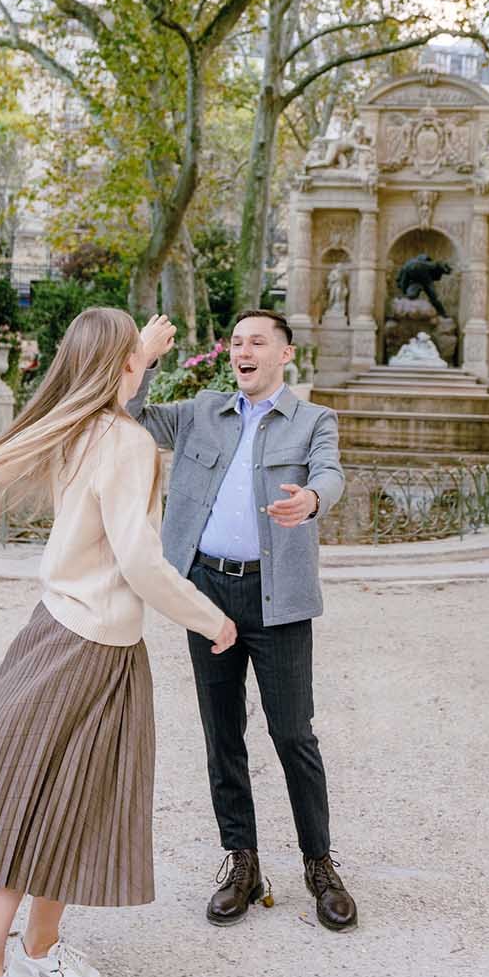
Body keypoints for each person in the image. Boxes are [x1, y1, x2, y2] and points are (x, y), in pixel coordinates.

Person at [0, 308, 236, 977]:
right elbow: (142, 561)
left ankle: (39, 950)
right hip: (90, 648)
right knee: (41, 798)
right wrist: (212, 619)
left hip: (64, 632)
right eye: (135, 360)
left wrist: (139, 352)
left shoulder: (77, 426)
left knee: (74, 800)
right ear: (118, 368)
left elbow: (111, 379)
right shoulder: (126, 441)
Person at [128, 309, 358, 932]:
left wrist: (313, 499)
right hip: (206, 591)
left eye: (257, 342)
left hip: (277, 597)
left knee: (292, 735)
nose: (243, 351)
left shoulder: (314, 420)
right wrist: (143, 358)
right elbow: (131, 416)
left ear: (285, 355)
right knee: (221, 732)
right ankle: (243, 862)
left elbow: (332, 474)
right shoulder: (202, 410)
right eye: (236, 343)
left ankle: (320, 865)